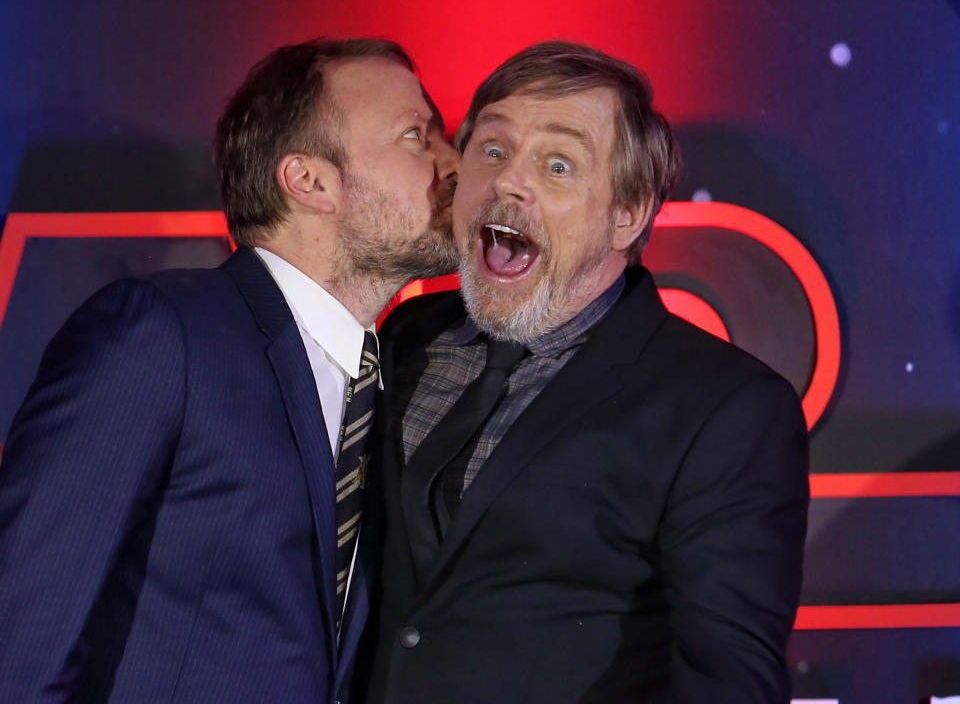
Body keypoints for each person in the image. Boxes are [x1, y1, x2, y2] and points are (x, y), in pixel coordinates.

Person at [0, 38, 458, 703]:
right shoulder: (161, 333)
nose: (452, 162)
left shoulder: (389, 383)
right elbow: (20, 637)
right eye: (417, 135)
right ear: (310, 181)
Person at [365, 41, 809, 704]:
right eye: (492, 150)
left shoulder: (725, 407)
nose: (508, 182)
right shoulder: (409, 335)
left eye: (558, 165)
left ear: (626, 215)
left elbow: (727, 680)